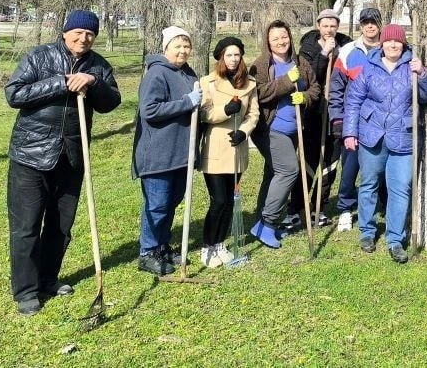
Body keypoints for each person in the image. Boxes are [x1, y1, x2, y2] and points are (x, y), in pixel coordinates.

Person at [5, 9, 121, 316]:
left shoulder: (98, 65)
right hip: (30, 156)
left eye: (90, 34)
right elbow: (14, 94)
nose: (83, 38)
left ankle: (47, 279)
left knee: (60, 227)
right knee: (26, 227)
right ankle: (27, 291)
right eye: (78, 32)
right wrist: (62, 82)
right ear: (65, 32)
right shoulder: (39, 57)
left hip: (71, 157)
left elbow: (112, 102)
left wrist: (93, 83)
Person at [343, 24, 427, 264]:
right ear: (382, 44)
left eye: (397, 42)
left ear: (404, 44)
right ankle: (367, 231)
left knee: (400, 188)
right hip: (372, 134)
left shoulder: (412, 66)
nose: (392, 45)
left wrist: (423, 75)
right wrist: (349, 132)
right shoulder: (370, 68)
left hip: (403, 137)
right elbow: (353, 100)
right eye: (388, 41)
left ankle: (395, 239)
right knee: (369, 183)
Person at [132, 26, 201, 275]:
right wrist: (187, 102)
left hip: (180, 153)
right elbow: (149, 111)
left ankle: (161, 245)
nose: (183, 50)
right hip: (158, 154)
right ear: (165, 48)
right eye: (177, 46)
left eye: (186, 46)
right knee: (157, 205)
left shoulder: (187, 73)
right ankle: (147, 252)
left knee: (171, 202)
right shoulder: (157, 73)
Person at [248, 19, 321, 248]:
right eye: (275, 38)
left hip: (293, 130)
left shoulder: (300, 63)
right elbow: (258, 94)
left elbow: (315, 88)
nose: (281, 41)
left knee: (273, 174)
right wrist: (287, 82)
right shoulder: (260, 65)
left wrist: (305, 97)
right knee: (289, 170)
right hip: (269, 130)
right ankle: (268, 223)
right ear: (268, 42)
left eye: (284, 36)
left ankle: (261, 221)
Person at [198, 36, 259, 268]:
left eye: (237, 55)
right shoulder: (209, 82)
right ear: (221, 57)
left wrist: (244, 131)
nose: (233, 59)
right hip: (216, 148)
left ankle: (221, 244)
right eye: (229, 55)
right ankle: (208, 246)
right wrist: (225, 110)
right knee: (219, 201)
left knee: (231, 202)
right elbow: (204, 114)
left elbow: (254, 114)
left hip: (237, 148)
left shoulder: (250, 83)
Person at [289, 8, 351, 230]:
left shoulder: (346, 45)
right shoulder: (308, 47)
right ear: (318, 26)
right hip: (314, 112)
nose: (329, 30)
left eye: (333, 25)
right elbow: (309, 75)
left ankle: (319, 208)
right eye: (325, 26)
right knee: (307, 161)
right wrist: (324, 53)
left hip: (336, 111)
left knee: (330, 163)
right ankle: (296, 208)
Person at [327, 7, 383, 231]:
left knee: (381, 166)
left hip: (380, 122)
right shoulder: (349, 51)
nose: (370, 26)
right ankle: (345, 209)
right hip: (353, 121)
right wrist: (337, 119)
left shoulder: (389, 49)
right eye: (365, 22)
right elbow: (336, 89)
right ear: (360, 25)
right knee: (350, 168)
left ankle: (384, 205)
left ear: (380, 24)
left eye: (374, 22)